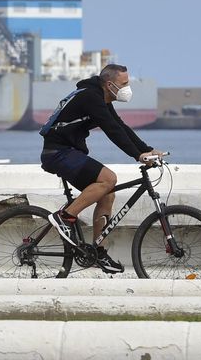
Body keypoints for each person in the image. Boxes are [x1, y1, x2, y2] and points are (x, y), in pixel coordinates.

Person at [40, 64, 163, 274]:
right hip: (58, 153)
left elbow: (120, 126)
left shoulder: (100, 97)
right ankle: (65, 217)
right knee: (108, 179)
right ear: (109, 84)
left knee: (107, 194)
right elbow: (112, 130)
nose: (128, 88)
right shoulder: (90, 97)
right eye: (124, 84)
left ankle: (97, 252)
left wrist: (146, 149)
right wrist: (137, 155)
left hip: (68, 152)